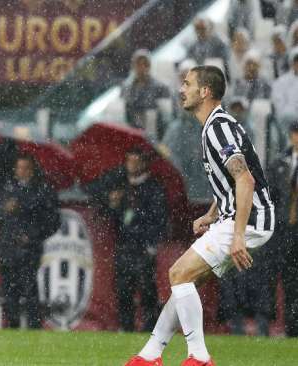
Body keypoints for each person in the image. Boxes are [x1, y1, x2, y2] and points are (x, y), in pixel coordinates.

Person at [125, 65, 274, 366]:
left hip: (249, 218)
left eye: (187, 83)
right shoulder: (215, 126)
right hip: (242, 216)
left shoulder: (218, 127)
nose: (181, 89)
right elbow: (233, 182)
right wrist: (211, 213)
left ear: (204, 91)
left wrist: (238, 235)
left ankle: (199, 357)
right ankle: (150, 355)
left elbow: (245, 180)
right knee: (185, 281)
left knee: (178, 273)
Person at [0, 154, 60, 329]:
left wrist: (32, 235)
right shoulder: (6, 189)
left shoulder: (42, 190)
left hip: (29, 250)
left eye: (26, 168)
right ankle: (12, 327)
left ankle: (33, 327)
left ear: (33, 170)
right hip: (7, 248)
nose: (23, 171)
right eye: (20, 168)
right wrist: (5, 209)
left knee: (30, 291)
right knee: (9, 292)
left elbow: (53, 221)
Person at [108, 148, 167, 332]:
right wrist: (114, 205)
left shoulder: (153, 188)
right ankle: (126, 326)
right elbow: (114, 220)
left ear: (144, 164)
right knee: (123, 288)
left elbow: (159, 219)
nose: (132, 166)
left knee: (146, 288)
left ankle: (150, 326)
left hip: (143, 246)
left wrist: (151, 244)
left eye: (135, 161)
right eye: (129, 161)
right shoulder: (122, 186)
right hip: (124, 246)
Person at [266, 121, 298, 337]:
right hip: (286, 232)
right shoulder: (279, 162)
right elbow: (270, 197)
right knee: (288, 281)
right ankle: (291, 327)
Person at [121, 49, 170, 132]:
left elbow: (166, 116)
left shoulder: (160, 88)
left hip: (155, 131)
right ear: (133, 66)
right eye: (138, 64)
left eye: (145, 64)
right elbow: (125, 113)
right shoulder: (127, 88)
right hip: (134, 132)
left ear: (149, 66)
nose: (142, 67)